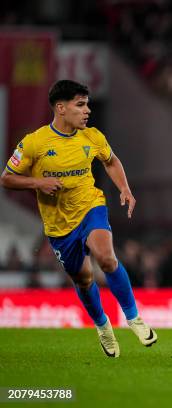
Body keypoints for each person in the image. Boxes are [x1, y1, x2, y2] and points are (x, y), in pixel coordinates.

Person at [0, 80, 157, 357]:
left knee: (106, 257)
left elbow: (111, 161)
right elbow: (7, 178)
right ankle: (102, 326)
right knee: (84, 279)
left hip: (90, 205)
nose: (87, 111)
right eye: (80, 105)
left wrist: (124, 188)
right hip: (59, 225)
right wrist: (38, 183)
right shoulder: (34, 143)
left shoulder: (92, 136)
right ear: (61, 108)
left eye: (88, 105)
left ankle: (134, 319)